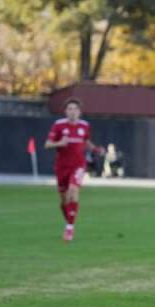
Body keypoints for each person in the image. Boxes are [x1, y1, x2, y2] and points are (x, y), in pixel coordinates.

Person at [44, 98, 95, 242]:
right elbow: (47, 144)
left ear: (80, 112)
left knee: (73, 190)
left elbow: (86, 141)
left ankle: (69, 228)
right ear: (65, 111)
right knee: (64, 199)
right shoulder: (59, 125)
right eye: (70, 109)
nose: (73, 112)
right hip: (62, 166)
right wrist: (60, 143)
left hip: (78, 165)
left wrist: (95, 149)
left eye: (75, 109)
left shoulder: (85, 126)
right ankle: (69, 221)